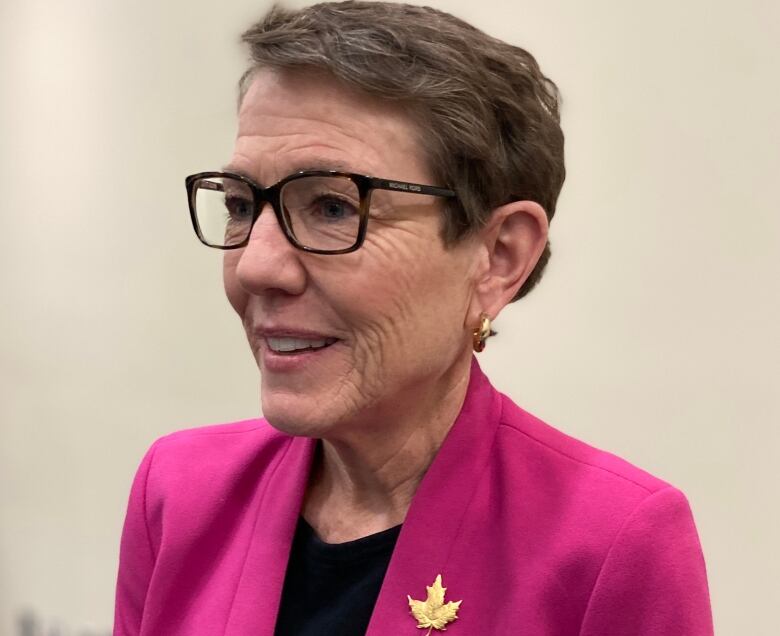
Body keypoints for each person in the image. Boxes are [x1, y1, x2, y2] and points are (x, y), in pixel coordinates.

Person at [114, 2, 713, 634]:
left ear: (497, 257)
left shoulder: (610, 544)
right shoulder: (180, 494)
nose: (255, 267)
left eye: (332, 207)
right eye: (240, 204)